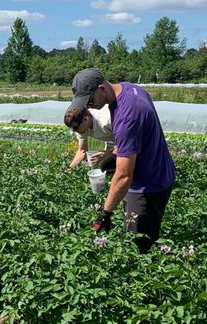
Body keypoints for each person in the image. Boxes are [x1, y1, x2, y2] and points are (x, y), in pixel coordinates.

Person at [68, 69, 175, 253]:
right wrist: (116, 153)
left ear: (101, 88)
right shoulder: (130, 89)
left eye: (90, 101)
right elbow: (136, 138)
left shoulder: (126, 116)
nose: (90, 107)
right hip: (158, 170)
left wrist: (105, 213)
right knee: (140, 234)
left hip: (146, 185)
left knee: (138, 247)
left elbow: (124, 176)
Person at [63, 105, 118, 173]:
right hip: (113, 139)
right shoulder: (80, 126)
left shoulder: (106, 120)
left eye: (75, 128)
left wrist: (110, 153)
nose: (74, 131)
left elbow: (129, 140)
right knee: (106, 167)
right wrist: (69, 170)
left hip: (129, 134)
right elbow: (82, 151)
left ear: (85, 119)